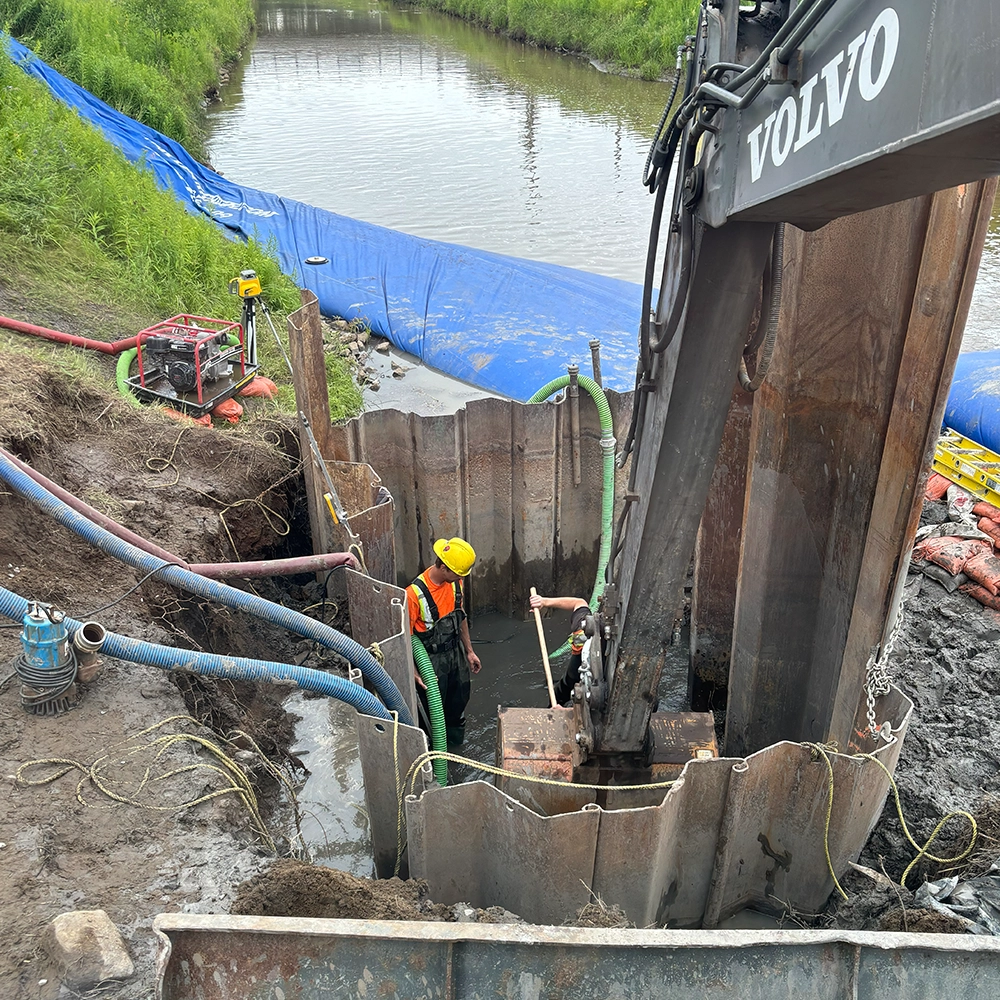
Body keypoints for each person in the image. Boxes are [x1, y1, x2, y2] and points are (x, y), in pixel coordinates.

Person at [407, 536, 481, 746]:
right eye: (458, 573)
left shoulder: (455, 584)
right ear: (444, 567)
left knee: (458, 702)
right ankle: (433, 756)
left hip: (455, 653)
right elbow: (406, 636)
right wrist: (414, 671)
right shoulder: (414, 594)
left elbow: (461, 614)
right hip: (431, 660)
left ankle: (456, 750)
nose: (461, 577)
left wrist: (469, 651)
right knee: (432, 712)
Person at [529, 593, 589, 706]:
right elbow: (578, 603)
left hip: (580, 692)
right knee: (558, 696)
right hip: (567, 686)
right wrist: (544, 601)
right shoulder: (582, 631)